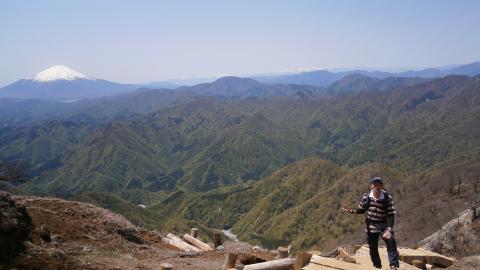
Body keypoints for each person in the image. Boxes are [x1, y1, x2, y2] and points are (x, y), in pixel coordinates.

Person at [341, 176, 400, 270]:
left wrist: (389, 229)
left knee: (391, 242)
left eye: (379, 184)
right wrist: (351, 210)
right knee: (373, 249)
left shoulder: (387, 198)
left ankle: (393, 265)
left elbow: (390, 215)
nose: (376, 186)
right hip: (371, 225)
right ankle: (377, 266)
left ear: (382, 186)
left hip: (383, 224)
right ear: (371, 186)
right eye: (374, 184)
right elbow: (361, 209)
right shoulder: (366, 197)